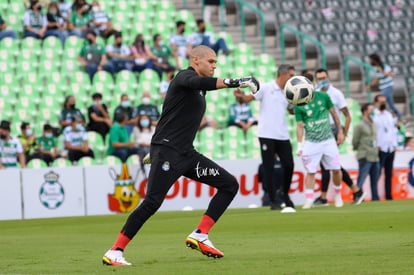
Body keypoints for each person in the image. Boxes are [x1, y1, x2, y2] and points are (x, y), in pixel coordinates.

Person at [102, 45, 259, 265]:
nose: (215, 65)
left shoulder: (199, 88)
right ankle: (115, 251)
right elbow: (198, 83)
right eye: (211, 62)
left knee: (229, 184)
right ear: (196, 60)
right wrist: (237, 81)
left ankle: (200, 234)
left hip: (185, 155)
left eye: (216, 62)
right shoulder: (184, 77)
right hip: (168, 151)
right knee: (152, 202)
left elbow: (174, 117)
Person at [234, 64, 296, 210]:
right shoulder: (267, 87)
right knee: (268, 167)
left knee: (289, 165)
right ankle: (273, 199)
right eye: (291, 76)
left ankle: (285, 194)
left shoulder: (289, 92)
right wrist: (240, 97)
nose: (292, 79)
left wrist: (298, 102)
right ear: (282, 74)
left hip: (282, 134)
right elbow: (247, 99)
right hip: (266, 134)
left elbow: (291, 111)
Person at [312, 68, 365, 205]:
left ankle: (324, 197)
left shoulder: (336, 94)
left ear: (328, 77)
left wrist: (343, 133)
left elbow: (347, 115)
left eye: (324, 77)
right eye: (319, 78)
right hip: (321, 129)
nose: (322, 80)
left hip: (333, 129)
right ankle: (355, 190)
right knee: (330, 164)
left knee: (328, 164)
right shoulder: (316, 94)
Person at [295, 86, 345, 209]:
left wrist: (340, 132)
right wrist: (299, 145)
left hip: (328, 140)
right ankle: (309, 199)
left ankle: (338, 195)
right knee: (311, 171)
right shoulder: (298, 103)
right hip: (311, 142)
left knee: (336, 169)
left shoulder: (323, 96)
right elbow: (300, 125)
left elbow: (334, 114)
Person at [352, 103, 380, 201]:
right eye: (371, 109)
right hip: (365, 154)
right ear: (365, 111)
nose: (372, 112)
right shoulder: (359, 125)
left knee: (375, 179)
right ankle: (358, 196)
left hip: (375, 155)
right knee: (362, 178)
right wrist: (358, 150)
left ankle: (375, 198)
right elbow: (355, 140)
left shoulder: (373, 124)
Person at [373, 94, 398, 200]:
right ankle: (375, 195)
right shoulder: (374, 115)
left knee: (389, 173)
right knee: (377, 173)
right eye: (381, 102)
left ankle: (389, 195)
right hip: (380, 147)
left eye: (384, 102)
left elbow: (392, 130)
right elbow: (374, 132)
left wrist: (394, 144)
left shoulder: (388, 114)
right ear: (376, 103)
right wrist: (376, 145)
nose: (383, 104)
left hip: (390, 147)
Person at [368, 53, 403, 120]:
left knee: (379, 100)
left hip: (388, 86)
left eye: (370, 60)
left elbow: (391, 74)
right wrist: (370, 85)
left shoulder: (385, 66)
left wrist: (382, 71)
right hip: (383, 87)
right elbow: (378, 79)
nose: (369, 61)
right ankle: (400, 117)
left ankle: (376, 116)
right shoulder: (376, 69)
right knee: (391, 105)